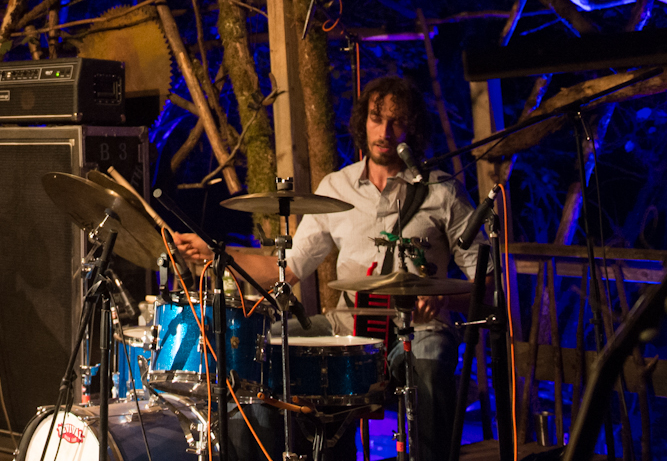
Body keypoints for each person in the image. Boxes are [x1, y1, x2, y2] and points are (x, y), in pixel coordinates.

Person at [174, 76, 480, 461]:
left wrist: (443, 297)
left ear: (413, 127)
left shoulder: (443, 192)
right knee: (259, 351)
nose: (384, 131)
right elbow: (288, 268)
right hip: (347, 325)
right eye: (375, 118)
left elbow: (486, 279)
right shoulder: (337, 186)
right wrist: (215, 252)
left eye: (396, 121)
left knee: (432, 367)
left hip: (416, 329)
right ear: (362, 123)